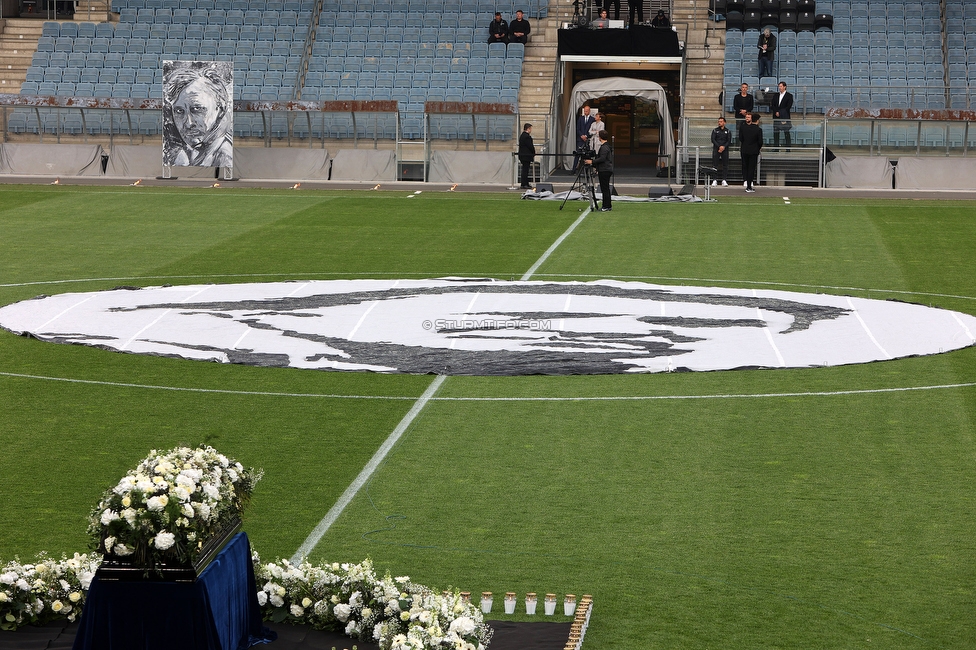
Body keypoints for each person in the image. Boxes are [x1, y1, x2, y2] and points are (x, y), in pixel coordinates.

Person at [163, 62, 233, 168]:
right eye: (179, 111)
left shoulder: (224, 160)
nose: (188, 123)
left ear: (221, 109)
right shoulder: (189, 154)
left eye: (197, 109)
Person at [584, 130, 614, 211]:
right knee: (605, 188)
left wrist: (592, 162)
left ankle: (606, 206)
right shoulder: (607, 146)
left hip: (605, 170)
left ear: (600, 137)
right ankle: (607, 205)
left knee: (605, 189)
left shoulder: (604, 147)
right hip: (605, 169)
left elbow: (602, 158)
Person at [739, 112, 762, 192]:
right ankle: (749, 186)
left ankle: (746, 182)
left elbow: (741, 138)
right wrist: (758, 148)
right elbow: (760, 141)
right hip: (753, 151)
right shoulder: (758, 129)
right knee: (751, 168)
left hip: (744, 149)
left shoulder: (743, 128)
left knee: (745, 166)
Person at [771, 80, 793, 147]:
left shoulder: (789, 96)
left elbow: (788, 106)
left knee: (786, 132)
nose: (779, 88)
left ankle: (788, 147)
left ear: (784, 87)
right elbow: (772, 105)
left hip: (784, 116)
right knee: (776, 133)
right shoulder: (776, 95)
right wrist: (776, 112)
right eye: (779, 86)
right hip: (776, 116)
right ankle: (776, 147)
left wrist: (780, 112)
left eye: (781, 86)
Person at [710, 116, 730, 186]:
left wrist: (723, 147)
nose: (719, 123)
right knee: (715, 165)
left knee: (725, 165)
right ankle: (714, 180)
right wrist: (719, 146)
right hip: (716, 149)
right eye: (719, 121)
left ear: (724, 122)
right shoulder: (715, 130)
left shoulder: (727, 131)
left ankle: (724, 180)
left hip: (725, 150)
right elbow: (713, 139)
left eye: (721, 121)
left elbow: (729, 141)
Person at [574, 104, 595, 171]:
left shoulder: (592, 119)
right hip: (580, 139)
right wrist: (581, 135)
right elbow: (578, 128)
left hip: (588, 139)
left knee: (588, 155)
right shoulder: (581, 118)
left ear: (589, 111)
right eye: (584, 111)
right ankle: (574, 169)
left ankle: (588, 170)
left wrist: (586, 136)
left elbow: (592, 129)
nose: (585, 112)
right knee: (578, 154)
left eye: (586, 111)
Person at [518, 122, 535, 189]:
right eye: (530, 128)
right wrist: (533, 152)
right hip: (526, 156)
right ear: (528, 129)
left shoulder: (522, 136)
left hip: (523, 155)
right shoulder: (526, 137)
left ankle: (525, 183)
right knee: (525, 170)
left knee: (525, 170)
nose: (531, 130)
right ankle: (524, 184)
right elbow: (530, 146)